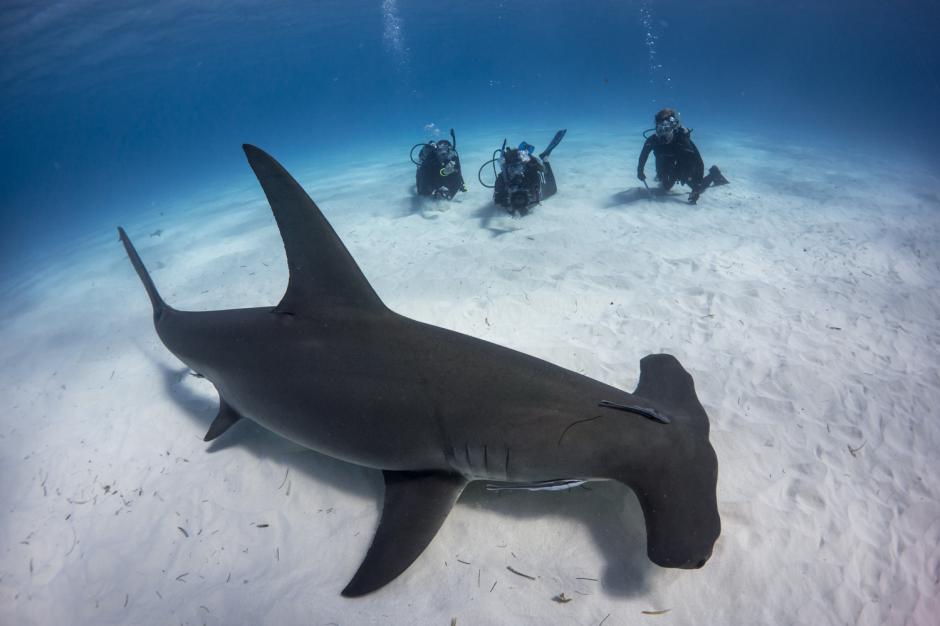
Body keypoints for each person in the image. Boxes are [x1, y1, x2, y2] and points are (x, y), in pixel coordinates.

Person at [637, 109, 728, 204]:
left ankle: (714, 174)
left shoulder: (682, 140)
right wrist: (640, 170)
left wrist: (696, 188)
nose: (663, 134)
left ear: (673, 128)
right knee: (666, 187)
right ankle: (663, 176)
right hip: (666, 166)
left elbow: (698, 162)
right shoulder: (653, 140)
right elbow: (644, 155)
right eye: (660, 130)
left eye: (666, 129)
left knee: (697, 187)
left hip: (683, 167)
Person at [490, 129, 566, 214]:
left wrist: (529, 199)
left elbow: (538, 191)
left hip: (531, 171)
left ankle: (545, 158)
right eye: (512, 169)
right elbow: (497, 200)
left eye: (519, 168)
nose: (516, 172)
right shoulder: (503, 178)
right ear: (506, 169)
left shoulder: (530, 175)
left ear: (523, 167)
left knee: (552, 190)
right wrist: (507, 202)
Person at [412, 128, 467, 200]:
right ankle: (419, 165)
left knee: (452, 183)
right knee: (423, 193)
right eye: (440, 151)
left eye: (445, 151)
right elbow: (426, 179)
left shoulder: (453, 157)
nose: (443, 154)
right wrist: (435, 190)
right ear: (436, 151)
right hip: (428, 171)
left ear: (449, 150)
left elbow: (458, 179)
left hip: (439, 176)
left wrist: (449, 195)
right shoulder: (430, 158)